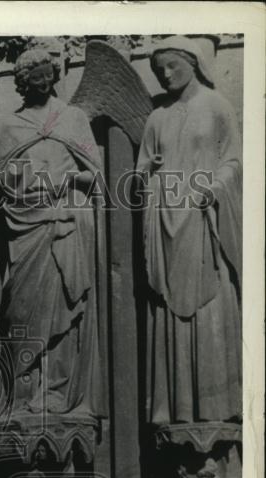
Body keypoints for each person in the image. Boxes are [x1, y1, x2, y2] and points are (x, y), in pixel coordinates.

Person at [0, 47, 105, 423]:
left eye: (49, 74)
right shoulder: (11, 125)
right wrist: (24, 180)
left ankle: (57, 392)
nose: (45, 81)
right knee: (21, 310)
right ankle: (24, 394)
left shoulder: (72, 118)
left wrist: (69, 179)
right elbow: (1, 182)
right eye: (36, 76)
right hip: (27, 226)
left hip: (67, 223)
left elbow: (95, 175)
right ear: (23, 82)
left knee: (66, 306)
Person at [137, 36, 242, 429]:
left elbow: (234, 159)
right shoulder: (156, 118)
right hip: (165, 224)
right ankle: (174, 410)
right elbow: (139, 173)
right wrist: (148, 173)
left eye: (171, 66)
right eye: (158, 69)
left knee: (211, 309)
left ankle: (215, 410)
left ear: (193, 63)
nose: (165, 75)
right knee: (168, 315)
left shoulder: (217, 107)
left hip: (204, 222)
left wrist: (214, 189)